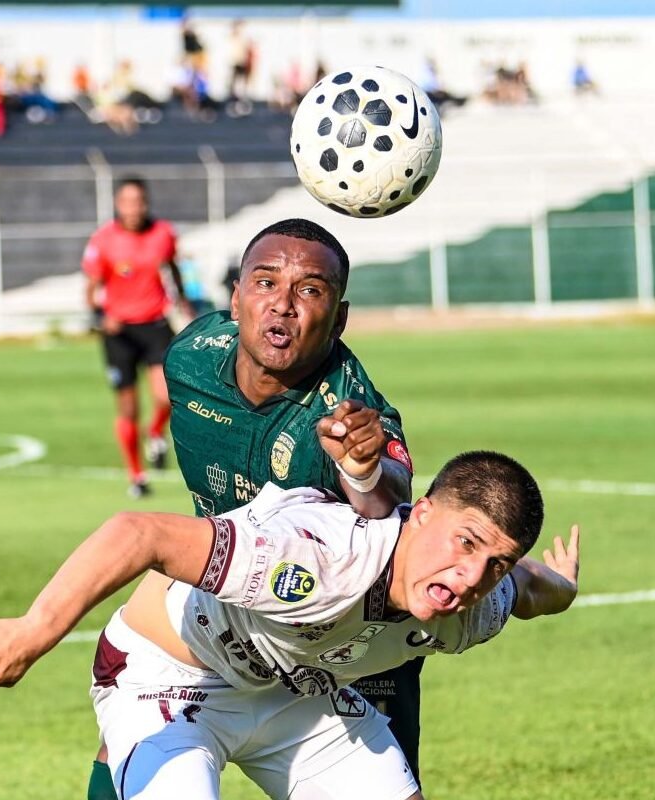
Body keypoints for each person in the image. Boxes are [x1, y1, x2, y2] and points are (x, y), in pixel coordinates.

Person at [0, 451, 582, 799]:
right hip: (170, 681)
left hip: (293, 694)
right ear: (422, 512)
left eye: (494, 562)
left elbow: (530, 590)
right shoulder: (317, 559)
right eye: (465, 542)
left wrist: (566, 588)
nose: (470, 576)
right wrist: (34, 630)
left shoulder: (472, 606)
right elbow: (140, 533)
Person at [87, 218, 424, 800]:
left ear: (339, 318)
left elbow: (388, 501)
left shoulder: (347, 410)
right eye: (266, 283)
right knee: (135, 732)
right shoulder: (191, 357)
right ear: (237, 296)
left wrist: (363, 470)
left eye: (310, 290)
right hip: (220, 621)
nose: (283, 305)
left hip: (341, 641)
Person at [83, 178, 191, 498]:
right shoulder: (104, 240)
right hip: (120, 332)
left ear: (146, 203)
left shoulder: (163, 233)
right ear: (118, 204)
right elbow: (91, 289)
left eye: (139, 201)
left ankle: (155, 432)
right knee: (128, 407)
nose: (134, 208)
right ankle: (137, 476)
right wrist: (101, 317)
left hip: (156, 325)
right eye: (127, 202)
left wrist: (183, 299)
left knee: (167, 395)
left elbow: (172, 268)